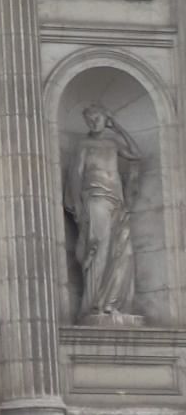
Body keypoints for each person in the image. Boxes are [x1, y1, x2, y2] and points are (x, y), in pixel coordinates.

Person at [63, 105, 142, 325]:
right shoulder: (83, 145)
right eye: (89, 119)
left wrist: (118, 127)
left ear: (105, 117)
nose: (93, 121)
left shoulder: (113, 142)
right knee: (100, 246)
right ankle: (95, 304)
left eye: (97, 117)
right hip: (96, 198)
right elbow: (76, 176)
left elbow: (135, 154)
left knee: (123, 252)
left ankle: (113, 303)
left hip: (117, 201)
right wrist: (78, 205)